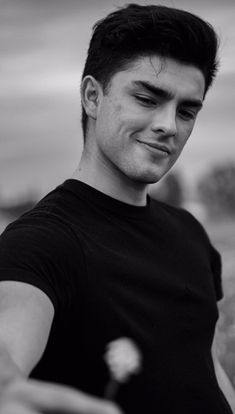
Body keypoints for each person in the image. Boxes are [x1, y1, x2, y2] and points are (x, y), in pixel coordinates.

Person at [0, 3, 234, 413]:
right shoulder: (41, 242)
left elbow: (205, 365)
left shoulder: (190, 232)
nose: (169, 125)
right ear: (93, 96)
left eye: (187, 110)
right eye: (147, 98)